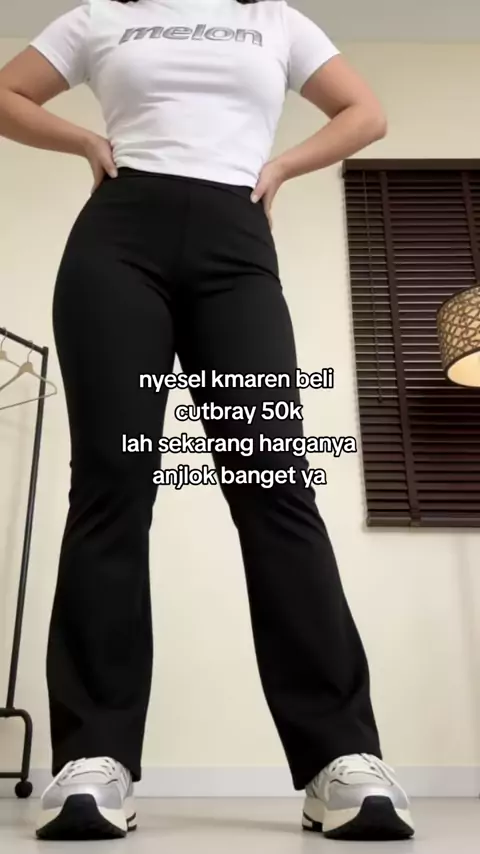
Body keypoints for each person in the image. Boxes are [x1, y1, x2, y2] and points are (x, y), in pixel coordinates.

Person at [0, 0, 415, 843]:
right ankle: (96, 758)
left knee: (274, 485)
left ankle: (339, 759)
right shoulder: (98, 17)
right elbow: (6, 94)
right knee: (113, 485)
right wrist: (86, 142)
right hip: (118, 242)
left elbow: (365, 112)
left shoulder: (276, 20)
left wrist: (283, 165)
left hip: (236, 243)